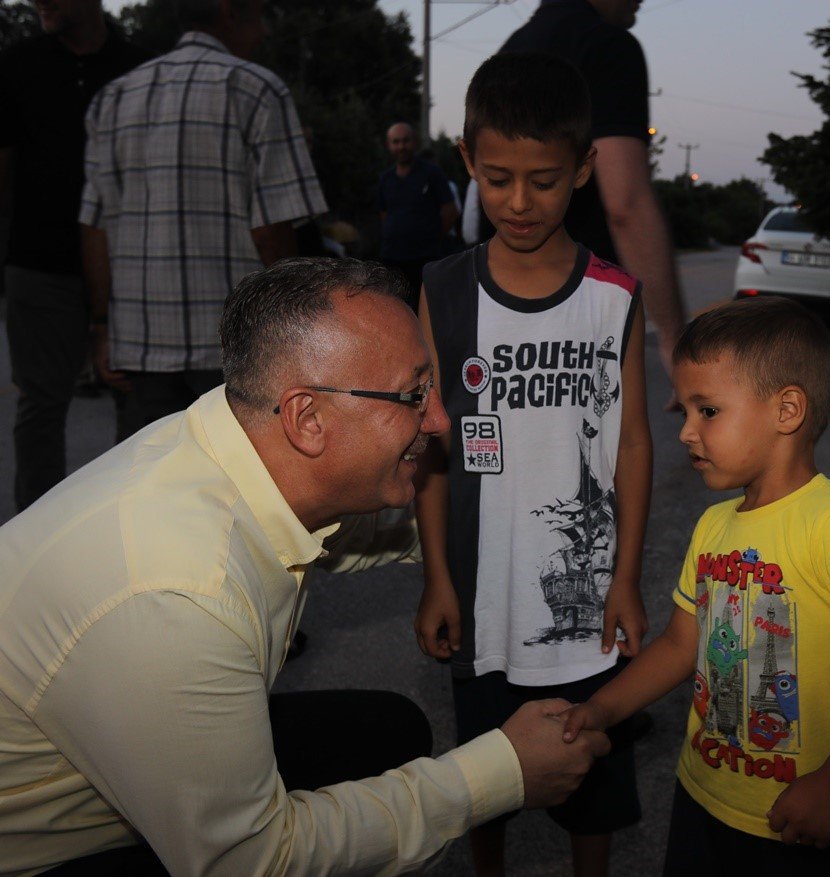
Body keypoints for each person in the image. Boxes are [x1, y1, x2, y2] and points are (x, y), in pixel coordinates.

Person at [0, 257, 611, 876]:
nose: (439, 420)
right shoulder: (179, 595)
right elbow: (252, 863)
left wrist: (513, 531)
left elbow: (359, 534)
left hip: (109, 774)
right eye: (414, 394)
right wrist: (500, 774)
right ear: (307, 419)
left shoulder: (230, 440)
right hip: (45, 854)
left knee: (389, 732)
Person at [561, 296, 830, 874]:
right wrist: (602, 708)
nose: (686, 432)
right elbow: (679, 646)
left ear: (786, 410)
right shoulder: (714, 525)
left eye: (707, 410)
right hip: (701, 795)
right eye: (685, 410)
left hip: (797, 819)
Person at [412, 53, 652, 877]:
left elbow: (632, 444)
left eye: (544, 180)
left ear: (583, 168)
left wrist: (627, 577)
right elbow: (431, 447)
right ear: (468, 161)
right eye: (499, 178)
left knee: (596, 781)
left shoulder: (615, 296)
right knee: (489, 779)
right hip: (484, 600)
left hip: (590, 609)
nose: (520, 201)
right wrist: (436, 576)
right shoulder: (444, 290)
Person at [79, 0, 326, 442]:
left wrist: (102, 327)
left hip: (140, 348)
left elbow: (95, 229)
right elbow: (272, 231)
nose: (265, 32)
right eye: (261, 16)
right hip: (236, 349)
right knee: (236, 476)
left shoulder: (112, 98)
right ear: (230, 12)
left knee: (150, 474)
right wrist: (294, 332)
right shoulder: (256, 89)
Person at [0, 0, 150, 511]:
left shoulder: (139, 67)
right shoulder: (17, 65)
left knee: (136, 400)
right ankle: (35, 536)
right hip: (38, 262)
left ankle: (129, 527)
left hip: (128, 265)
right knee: (41, 403)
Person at [500, 0, 688, 380]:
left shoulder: (510, 52)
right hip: (579, 319)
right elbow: (626, 205)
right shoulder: (606, 46)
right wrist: (675, 340)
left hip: (502, 312)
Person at [376, 122, 460, 302]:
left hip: (425, 259)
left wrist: (430, 237)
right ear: (389, 145)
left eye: (405, 141)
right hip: (393, 259)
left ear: (414, 142)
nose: (401, 146)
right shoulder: (385, 179)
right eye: (396, 142)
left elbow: (450, 211)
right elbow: (384, 214)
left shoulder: (432, 173)